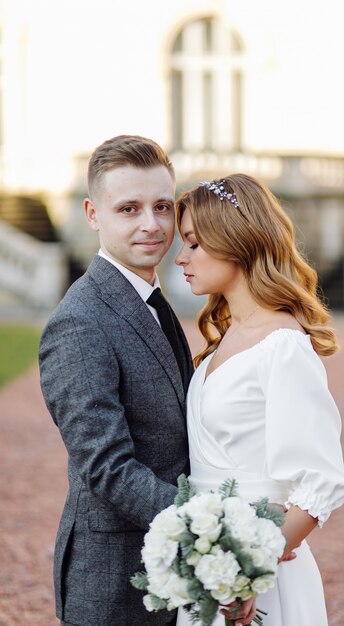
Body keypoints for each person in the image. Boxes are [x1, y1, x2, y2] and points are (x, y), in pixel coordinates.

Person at [175, 174, 344, 626]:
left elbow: (322, 481)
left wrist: (252, 569)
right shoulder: (227, 335)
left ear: (234, 240)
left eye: (194, 244)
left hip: (257, 579)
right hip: (208, 563)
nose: (180, 258)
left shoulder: (283, 346)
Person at [39, 135, 195, 626]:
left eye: (162, 207)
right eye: (128, 208)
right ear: (92, 213)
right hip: (115, 582)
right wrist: (209, 527)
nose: (151, 225)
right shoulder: (80, 322)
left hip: (168, 571)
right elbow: (107, 468)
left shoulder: (150, 297)